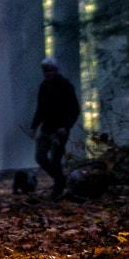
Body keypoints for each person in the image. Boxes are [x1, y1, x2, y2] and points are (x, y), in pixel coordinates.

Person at [29, 57, 80, 197]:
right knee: (40, 157)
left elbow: (75, 109)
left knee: (55, 160)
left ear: (56, 70)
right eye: (46, 71)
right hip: (46, 129)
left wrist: (66, 127)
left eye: (50, 70)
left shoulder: (66, 86)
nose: (48, 73)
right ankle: (60, 180)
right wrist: (33, 127)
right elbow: (39, 109)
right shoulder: (43, 87)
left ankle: (58, 188)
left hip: (60, 131)